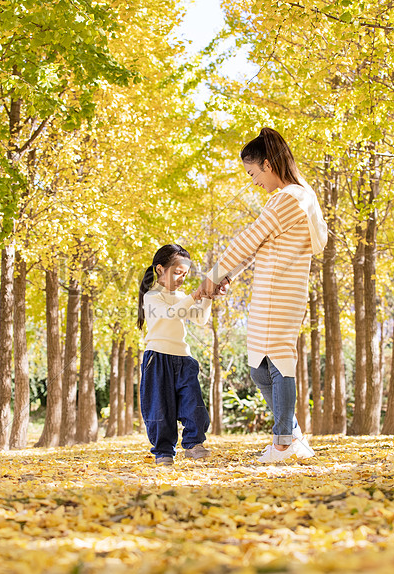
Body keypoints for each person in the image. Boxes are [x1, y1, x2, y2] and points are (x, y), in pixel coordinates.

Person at [195, 127, 328, 463]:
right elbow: (261, 247)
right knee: (259, 368)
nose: (253, 181)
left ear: (268, 165)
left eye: (253, 173)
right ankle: (293, 436)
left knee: (279, 362)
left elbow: (248, 239)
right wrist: (227, 276)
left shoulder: (289, 198)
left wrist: (213, 276)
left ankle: (283, 443)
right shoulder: (298, 197)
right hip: (278, 292)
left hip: (277, 294)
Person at [138, 244, 213, 466]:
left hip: (183, 358)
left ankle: (193, 443)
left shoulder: (181, 296)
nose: (182, 278)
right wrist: (195, 295)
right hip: (157, 358)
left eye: (185, 274)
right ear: (160, 269)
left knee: (193, 402)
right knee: (159, 408)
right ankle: (163, 452)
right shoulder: (152, 296)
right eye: (178, 272)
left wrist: (207, 296)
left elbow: (200, 318)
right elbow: (171, 314)